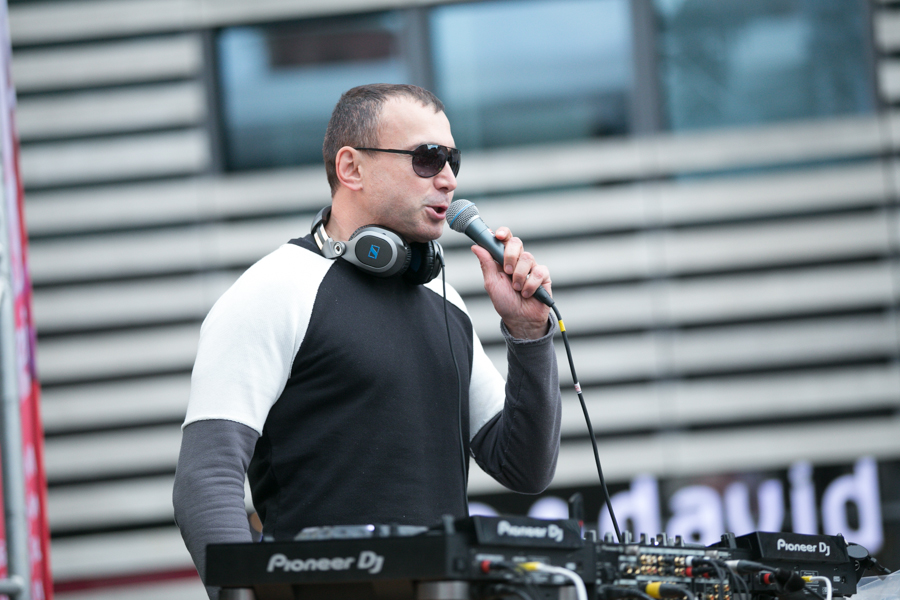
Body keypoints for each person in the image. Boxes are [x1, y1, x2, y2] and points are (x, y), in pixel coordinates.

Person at [172, 83, 562, 598]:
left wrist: (529, 334)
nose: (448, 179)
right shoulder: (274, 290)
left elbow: (524, 467)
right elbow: (206, 481)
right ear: (351, 168)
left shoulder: (446, 303)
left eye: (452, 160)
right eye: (427, 157)